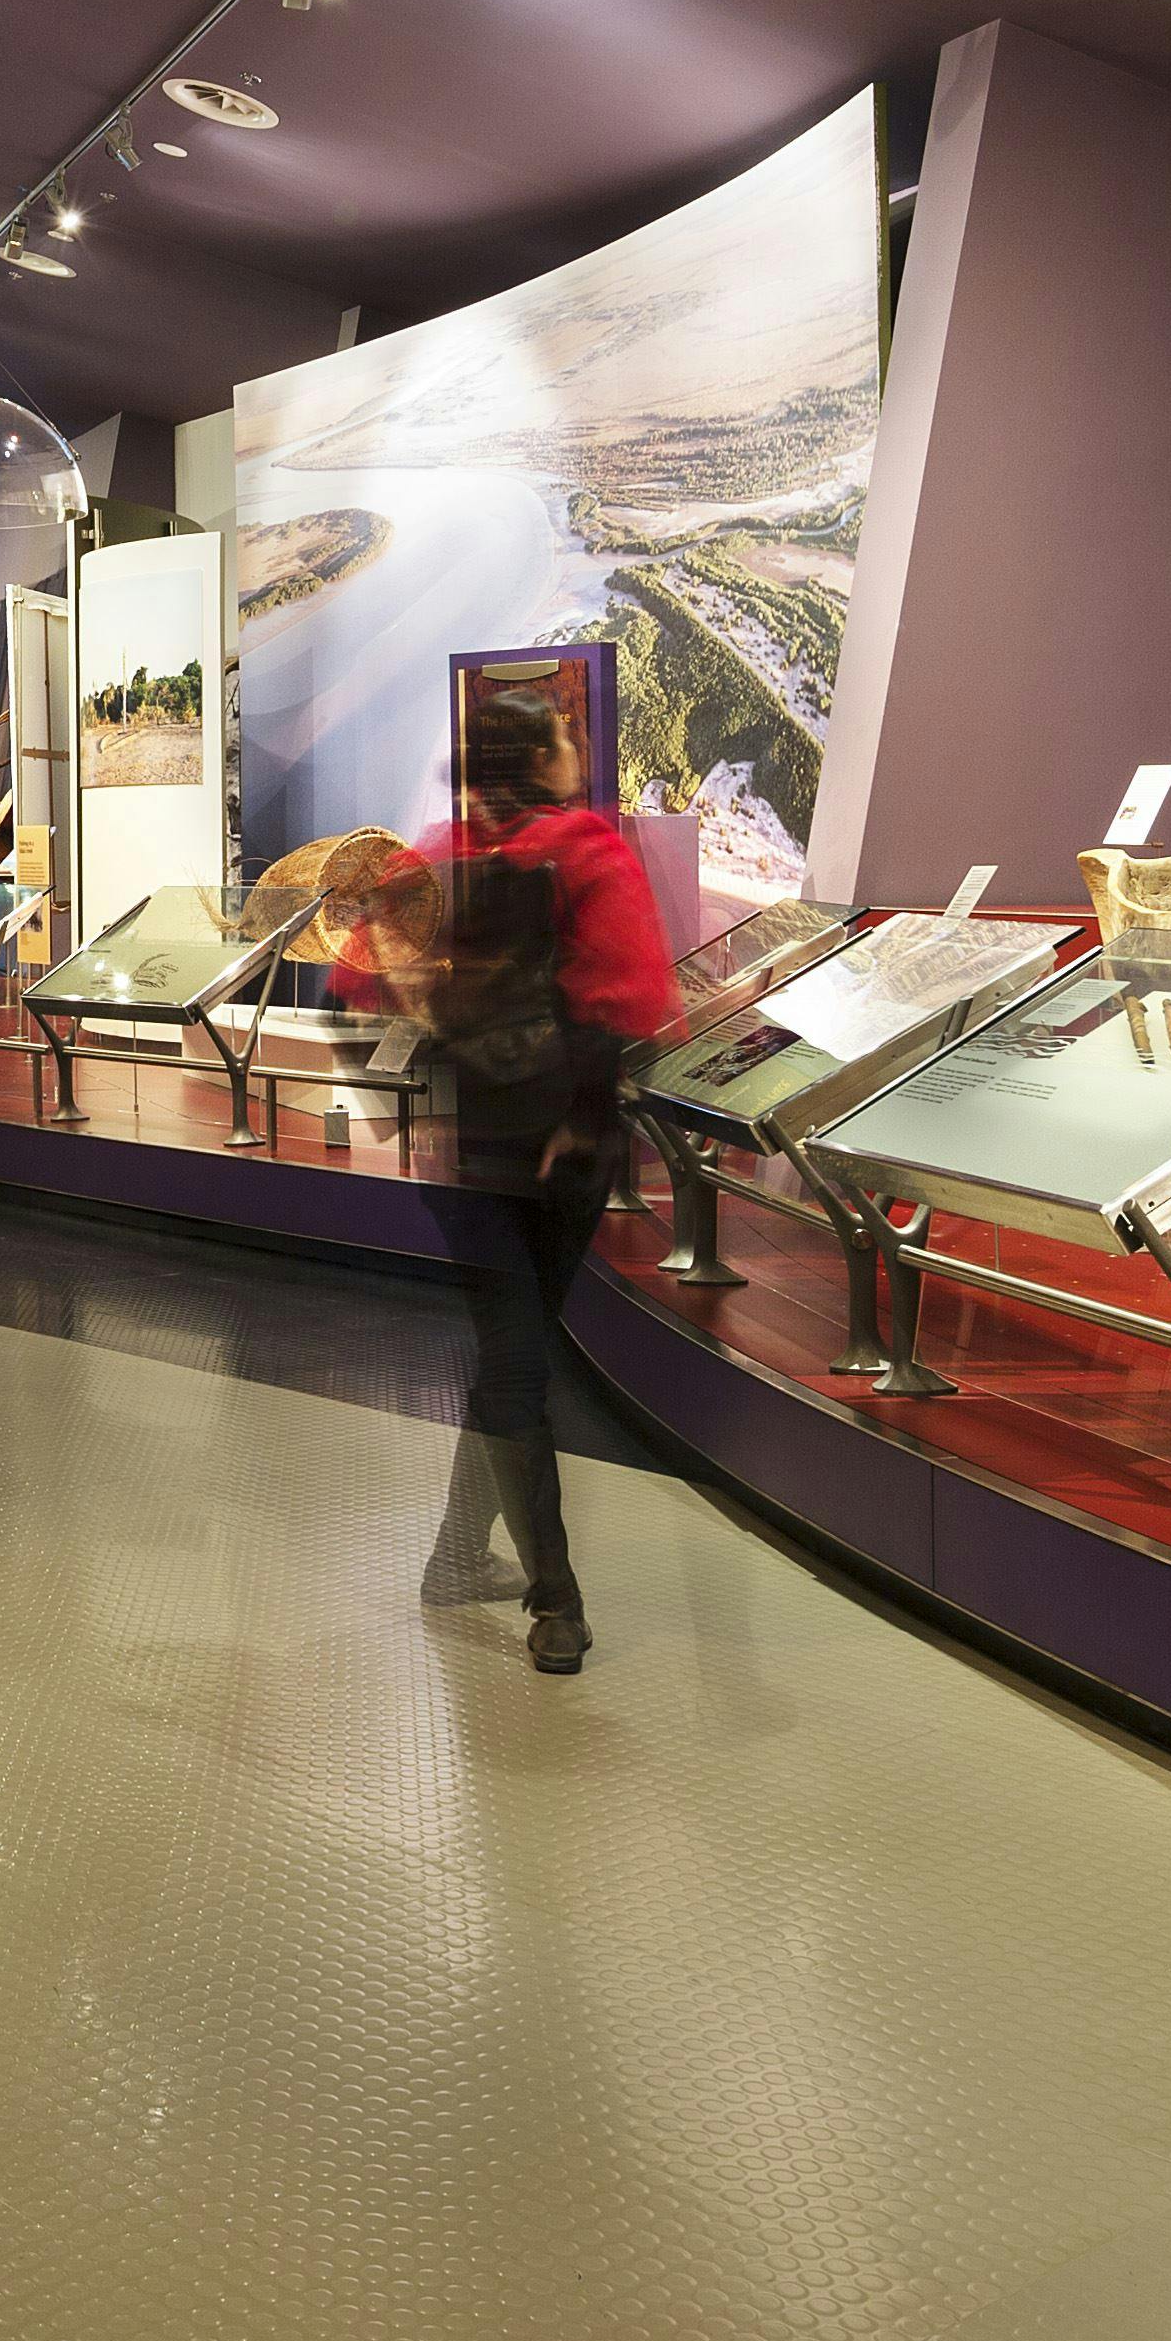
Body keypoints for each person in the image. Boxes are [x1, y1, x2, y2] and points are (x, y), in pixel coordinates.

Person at [400, 679, 674, 1675]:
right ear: (544, 758)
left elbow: (356, 971)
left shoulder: (434, 854)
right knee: (522, 1361)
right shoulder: (590, 851)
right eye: (566, 735)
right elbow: (633, 998)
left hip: (452, 1143)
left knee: (509, 1354)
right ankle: (555, 1600)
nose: (577, 748)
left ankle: (454, 1557)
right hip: (559, 1147)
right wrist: (588, 1117)